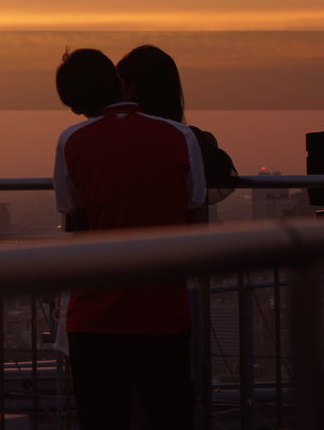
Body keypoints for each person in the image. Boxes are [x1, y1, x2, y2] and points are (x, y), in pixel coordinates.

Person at [53, 48, 205, 430]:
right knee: (170, 414)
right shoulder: (180, 136)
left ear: (74, 104)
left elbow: (70, 206)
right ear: (119, 83)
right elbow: (195, 200)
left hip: (95, 314)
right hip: (163, 309)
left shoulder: (72, 140)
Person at [115, 44, 237, 206]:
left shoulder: (103, 138)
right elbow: (227, 181)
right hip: (174, 228)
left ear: (130, 89)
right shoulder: (189, 140)